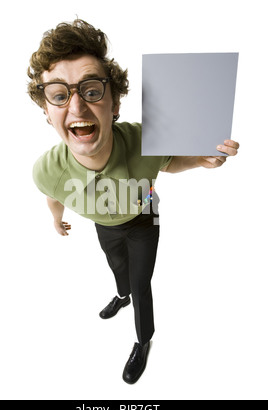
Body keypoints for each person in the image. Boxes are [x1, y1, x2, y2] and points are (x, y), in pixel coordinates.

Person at [27, 19, 239, 384]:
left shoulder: (145, 139)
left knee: (142, 283)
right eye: (60, 95)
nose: (76, 105)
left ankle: (143, 340)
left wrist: (202, 160)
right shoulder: (47, 170)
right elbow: (52, 196)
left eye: (91, 90)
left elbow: (169, 162)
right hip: (103, 223)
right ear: (47, 111)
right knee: (117, 269)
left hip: (143, 217)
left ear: (115, 102)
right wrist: (54, 220)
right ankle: (120, 294)